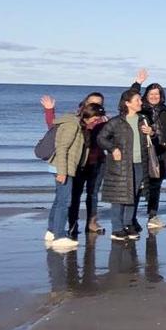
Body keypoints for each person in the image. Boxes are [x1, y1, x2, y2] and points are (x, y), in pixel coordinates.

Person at [41, 90, 107, 235]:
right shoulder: (76, 120)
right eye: (92, 103)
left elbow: (111, 139)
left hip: (96, 161)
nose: (95, 105)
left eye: (98, 104)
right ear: (85, 104)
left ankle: (91, 222)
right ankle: (69, 226)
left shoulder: (102, 120)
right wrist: (49, 110)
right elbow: (56, 131)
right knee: (70, 196)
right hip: (76, 163)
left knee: (93, 195)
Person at [97, 87, 154, 242]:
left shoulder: (143, 119)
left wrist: (152, 132)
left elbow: (154, 138)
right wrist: (113, 148)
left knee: (133, 196)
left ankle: (128, 224)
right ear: (128, 103)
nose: (141, 102)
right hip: (121, 164)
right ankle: (116, 228)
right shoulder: (116, 121)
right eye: (137, 100)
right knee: (119, 196)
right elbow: (101, 138)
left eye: (140, 100)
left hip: (140, 163)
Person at [131, 76, 166, 231]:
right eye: (151, 94)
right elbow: (127, 99)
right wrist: (138, 83)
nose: (154, 97)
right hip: (143, 153)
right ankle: (131, 218)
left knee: (156, 186)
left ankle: (152, 215)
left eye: (157, 94)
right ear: (146, 95)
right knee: (139, 185)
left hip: (161, 153)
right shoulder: (140, 110)